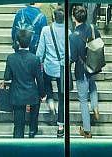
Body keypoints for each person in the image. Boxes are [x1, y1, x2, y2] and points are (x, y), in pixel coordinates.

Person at [68, 6, 101, 138]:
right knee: (92, 85)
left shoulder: (73, 36)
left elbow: (74, 57)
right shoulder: (93, 28)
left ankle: (87, 130)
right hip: (93, 65)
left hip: (81, 69)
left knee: (82, 100)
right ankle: (95, 106)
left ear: (74, 17)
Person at [4, 29, 42, 138]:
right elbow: (39, 79)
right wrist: (43, 94)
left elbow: (7, 77)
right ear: (30, 42)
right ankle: (32, 133)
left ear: (17, 42)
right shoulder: (35, 59)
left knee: (18, 126)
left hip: (17, 95)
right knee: (33, 121)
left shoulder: (11, 58)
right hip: (32, 94)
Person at [36, 7, 67, 136]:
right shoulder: (68, 32)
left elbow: (40, 51)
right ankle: (60, 126)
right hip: (62, 69)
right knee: (62, 97)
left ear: (54, 17)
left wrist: (38, 61)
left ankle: (50, 101)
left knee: (47, 82)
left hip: (49, 66)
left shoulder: (46, 30)